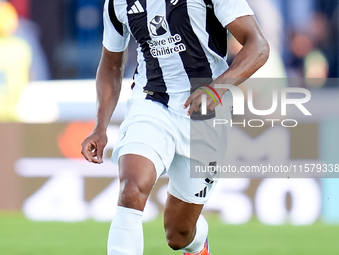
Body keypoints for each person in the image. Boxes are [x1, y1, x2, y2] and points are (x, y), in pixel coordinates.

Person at [81, 0, 269, 254]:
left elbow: (258, 45)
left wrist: (217, 88)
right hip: (151, 102)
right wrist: (100, 126)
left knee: (178, 234)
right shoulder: (117, 4)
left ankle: (198, 243)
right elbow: (112, 64)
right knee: (131, 190)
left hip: (207, 113)